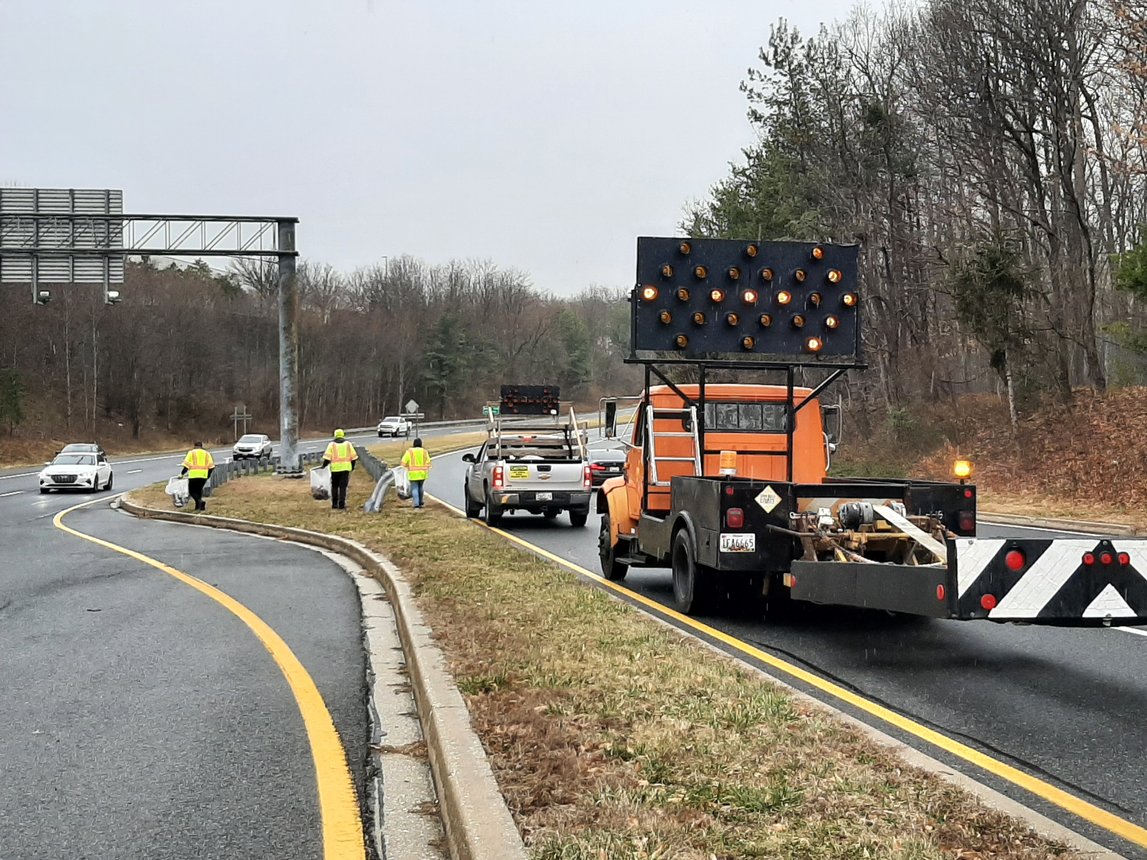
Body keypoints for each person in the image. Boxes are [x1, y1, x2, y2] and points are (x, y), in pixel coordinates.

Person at [322, 428, 358, 510]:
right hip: (345, 469)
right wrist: (352, 467)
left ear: (335, 435)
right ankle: (342, 504)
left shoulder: (332, 445)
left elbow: (327, 458)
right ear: (343, 435)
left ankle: (334, 504)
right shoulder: (348, 444)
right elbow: (354, 457)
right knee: (343, 487)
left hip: (335, 469)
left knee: (334, 486)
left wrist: (323, 466)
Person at [180, 441, 216, 512]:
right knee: (199, 491)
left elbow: (186, 466)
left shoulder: (191, 453)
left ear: (194, 446)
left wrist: (182, 474)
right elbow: (211, 467)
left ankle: (200, 501)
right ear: (201, 446)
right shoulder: (207, 453)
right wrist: (208, 475)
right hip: (203, 476)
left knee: (192, 491)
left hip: (193, 476)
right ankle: (199, 507)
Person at [401, 437, 432, 509]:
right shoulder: (424, 451)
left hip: (413, 473)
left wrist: (406, 466)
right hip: (422, 473)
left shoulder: (410, 451)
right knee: (420, 487)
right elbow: (428, 462)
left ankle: (416, 504)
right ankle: (421, 501)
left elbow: (403, 462)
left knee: (414, 488)